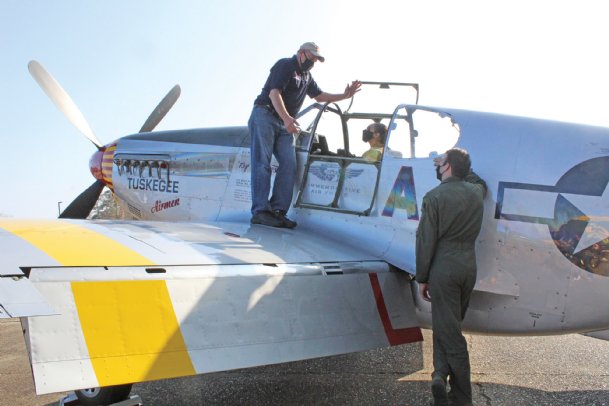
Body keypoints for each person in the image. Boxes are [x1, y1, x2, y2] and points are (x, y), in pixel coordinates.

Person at [249, 42, 361, 228]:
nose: (314, 61)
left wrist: (344, 95)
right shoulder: (285, 65)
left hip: (285, 123)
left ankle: (278, 211)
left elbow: (319, 96)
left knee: (289, 164)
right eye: (312, 57)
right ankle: (260, 211)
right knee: (262, 163)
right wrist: (286, 119)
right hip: (265, 115)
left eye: (316, 59)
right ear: (301, 53)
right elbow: (274, 93)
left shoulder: (307, 76)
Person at [415, 148, 487, 406]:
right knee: (448, 325)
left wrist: (422, 276)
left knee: (451, 334)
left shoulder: (433, 197)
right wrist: (460, 164)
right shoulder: (475, 192)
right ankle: (439, 374)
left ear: (446, 168)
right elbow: (479, 181)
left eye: (441, 162)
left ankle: (461, 398)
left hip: (443, 268)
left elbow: (425, 240)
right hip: (468, 266)